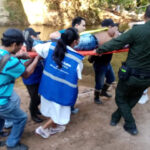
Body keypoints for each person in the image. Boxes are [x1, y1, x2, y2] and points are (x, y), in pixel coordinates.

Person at [96, 5, 150, 135]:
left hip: (130, 75)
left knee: (120, 97)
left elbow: (117, 42)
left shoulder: (138, 31)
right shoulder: (138, 30)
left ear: (144, 16)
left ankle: (130, 124)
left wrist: (99, 50)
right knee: (135, 97)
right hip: (147, 78)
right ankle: (115, 116)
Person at [33, 28, 83, 138]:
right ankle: (43, 129)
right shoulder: (77, 60)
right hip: (61, 92)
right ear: (75, 42)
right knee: (58, 112)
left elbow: (35, 48)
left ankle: (54, 127)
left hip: (47, 88)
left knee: (52, 109)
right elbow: (78, 77)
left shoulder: (49, 46)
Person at [0, 28, 40, 150]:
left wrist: (18, 56)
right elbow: (26, 73)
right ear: (13, 44)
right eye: (21, 44)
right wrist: (36, 58)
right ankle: (12, 144)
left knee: (1, 116)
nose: (22, 47)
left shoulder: (4, 54)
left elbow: (17, 67)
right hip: (2, 101)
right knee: (21, 118)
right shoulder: (11, 61)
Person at [78, 19, 119, 104]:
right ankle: (96, 97)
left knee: (111, 79)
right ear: (109, 27)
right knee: (99, 83)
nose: (115, 30)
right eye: (113, 27)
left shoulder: (110, 35)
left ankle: (103, 92)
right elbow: (96, 49)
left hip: (107, 63)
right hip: (100, 64)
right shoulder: (101, 36)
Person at [50, 17, 86, 114]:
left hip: (70, 64)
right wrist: (63, 41)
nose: (85, 28)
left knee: (71, 89)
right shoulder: (67, 32)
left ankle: (69, 108)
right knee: (68, 88)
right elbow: (52, 35)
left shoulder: (84, 36)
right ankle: (66, 110)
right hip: (66, 65)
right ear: (77, 25)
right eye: (83, 25)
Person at [22, 28, 44, 123]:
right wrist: (35, 58)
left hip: (38, 75)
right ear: (31, 37)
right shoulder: (23, 49)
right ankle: (33, 114)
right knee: (35, 97)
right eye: (35, 35)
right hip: (30, 78)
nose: (37, 37)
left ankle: (35, 109)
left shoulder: (36, 46)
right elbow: (23, 65)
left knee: (39, 96)